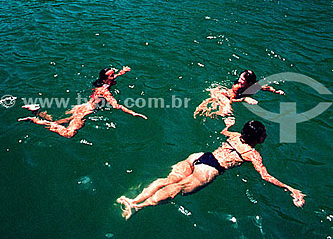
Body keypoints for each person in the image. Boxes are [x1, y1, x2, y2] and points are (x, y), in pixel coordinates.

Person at [117, 117, 305, 219]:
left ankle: (133, 199)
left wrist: (227, 121)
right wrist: (291, 189)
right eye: (264, 135)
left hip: (201, 156)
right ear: (257, 138)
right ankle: (137, 207)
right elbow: (265, 176)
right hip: (210, 169)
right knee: (176, 190)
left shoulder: (235, 135)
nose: (265, 136)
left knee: (167, 180)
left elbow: (224, 131)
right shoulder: (253, 154)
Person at [18, 66, 147, 138]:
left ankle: (37, 111)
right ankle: (34, 119)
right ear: (105, 79)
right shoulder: (104, 91)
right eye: (112, 75)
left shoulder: (103, 84)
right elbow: (116, 105)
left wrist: (122, 72)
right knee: (68, 134)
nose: (114, 76)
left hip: (81, 107)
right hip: (85, 112)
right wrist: (133, 113)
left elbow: (113, 79)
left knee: (57, 122)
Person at [194, 70, 284, 118]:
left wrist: (276, 91)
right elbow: (232, 99)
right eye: (240, 78)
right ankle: (203, 111)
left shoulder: (255, 86)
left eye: (242, 80)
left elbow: (266, 87)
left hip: (234, 95)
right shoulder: (237, 87)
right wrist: (244, 99)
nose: (239, 80)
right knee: (227, 109)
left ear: (250, 83)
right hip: (225, 94)